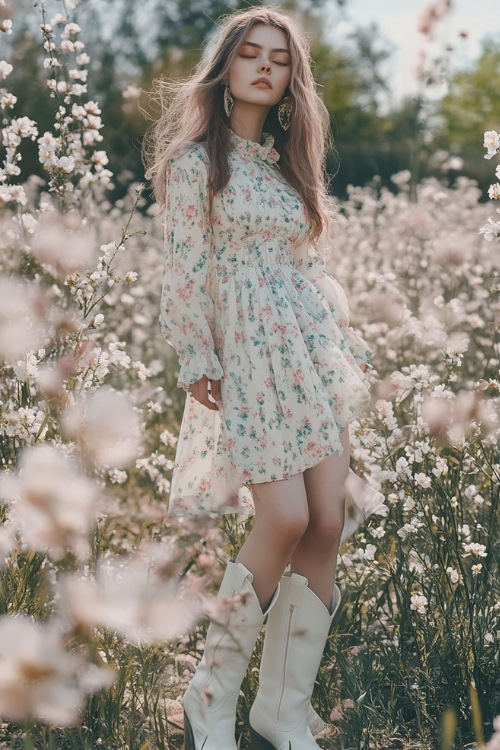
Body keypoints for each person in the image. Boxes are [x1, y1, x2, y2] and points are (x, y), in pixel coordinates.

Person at [145, 7, 382, 750]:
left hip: (308, 354)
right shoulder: (193, 164)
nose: (264, 67)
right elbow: (184, 275)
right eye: (249, 54)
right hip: (247, 356)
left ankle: (280, 709)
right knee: (281, 519)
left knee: (327, 518)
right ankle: (209, 699)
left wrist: (336, 347)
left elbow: (305, 268)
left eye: (279, 59)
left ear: (290, 81)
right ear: (226, 68)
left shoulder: (285, 165)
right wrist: (198, 357)